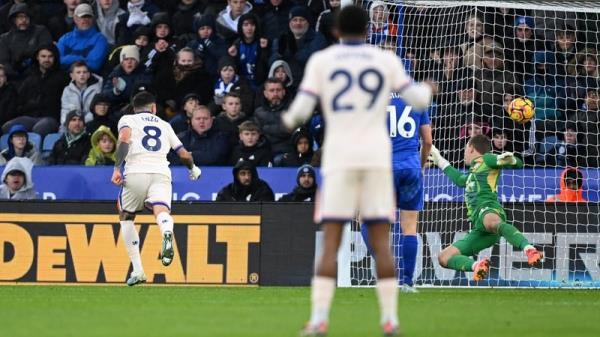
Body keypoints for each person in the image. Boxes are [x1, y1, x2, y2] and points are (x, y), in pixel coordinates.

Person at [281, 5, 432, 336]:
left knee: (331, 240)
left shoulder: (324, 61)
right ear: (368, 30)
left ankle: (319, 318)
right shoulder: (386, 62)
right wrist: (427, 90)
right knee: (383, 240)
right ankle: (390, 318)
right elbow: (418, 99)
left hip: (341, 161)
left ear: (335, 32)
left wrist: (290, 122)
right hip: (377, 160)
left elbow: (300, 111)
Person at [111, 91, 201, 286]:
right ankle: (167, 231)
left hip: (136, 172)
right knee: (161, 211)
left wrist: (117, 168)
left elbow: (124, 138)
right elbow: (183, 153)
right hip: (161, 172)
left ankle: (138, 270)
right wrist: (193, 169)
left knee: (126, 215)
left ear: (134, 108)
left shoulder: (128, 119)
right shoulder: (164, 125)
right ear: (153, 108)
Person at [428, 135, 544, 282]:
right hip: (479, 229)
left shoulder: (486, 159)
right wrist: (439, 160)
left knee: (490, 222)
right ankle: (477, 266)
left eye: (465, 150)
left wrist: (511, 160)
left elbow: (517, 164)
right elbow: (459, 179)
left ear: (470, 148)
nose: (463, 154)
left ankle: (529, 250)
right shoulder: (473, 173)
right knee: (443, 257)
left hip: (489, 210)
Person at [360, 87, 433, 293]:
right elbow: (427, 141)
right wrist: (420, 165)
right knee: (409, 227)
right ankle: (408, 283)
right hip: (410, 167)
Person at [3, 44, 69, 137]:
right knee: (7, 127)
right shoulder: (29, 77)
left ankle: (33, 151)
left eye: (50, 56)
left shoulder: (63, 77)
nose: (47, 59)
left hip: (51, 118)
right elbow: (20, 99)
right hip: (29, 116)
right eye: (43, 56)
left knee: (39, 129)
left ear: (55, 58)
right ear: (37, 57)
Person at [0, 3, 52, 80]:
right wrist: (16, 75)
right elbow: (4, 62)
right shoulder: (5, 38)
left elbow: (47, 53)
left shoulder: (41, 31)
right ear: (13, 19)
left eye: (26, 17)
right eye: (20, 17)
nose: (24, 20)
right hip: (13, 78)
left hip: (38, 75)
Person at [56, 3, 109, 73]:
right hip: (65, 78)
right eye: (82, 17)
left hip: (91, 78)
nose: (86, 19)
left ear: (92, 19)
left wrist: (69, 58)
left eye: (88, 16)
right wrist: (84, 59)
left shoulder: (100, 39)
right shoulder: (64, 39)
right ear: (75, 19)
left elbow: (94, 65)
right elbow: (58, 62)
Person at [60, 61, 103, 131]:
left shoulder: (97, 89)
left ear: (88, 74)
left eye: (84, 72)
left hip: (90, 123)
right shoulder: (67, 90)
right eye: (78, 72)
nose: (82, 75)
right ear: (72, 76)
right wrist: (68, 123)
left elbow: (95, 111)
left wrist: (81, 122)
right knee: (62, 130)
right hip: (72, 123)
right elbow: (65, 110)